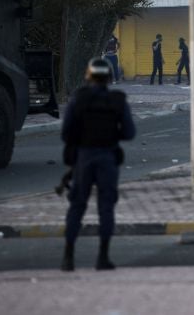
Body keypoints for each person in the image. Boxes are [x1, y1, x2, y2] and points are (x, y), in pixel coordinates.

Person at [60, 58, 136, 272]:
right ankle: (103, 257)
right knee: (106, 206)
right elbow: (129, 133)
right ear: (109, 78)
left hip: (83, 157)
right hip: (108, 157)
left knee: (77, 205)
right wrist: (112, 135)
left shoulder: (79, 99)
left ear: (89, 76)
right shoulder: (117, 101)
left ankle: (68, 257)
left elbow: (66, 133)